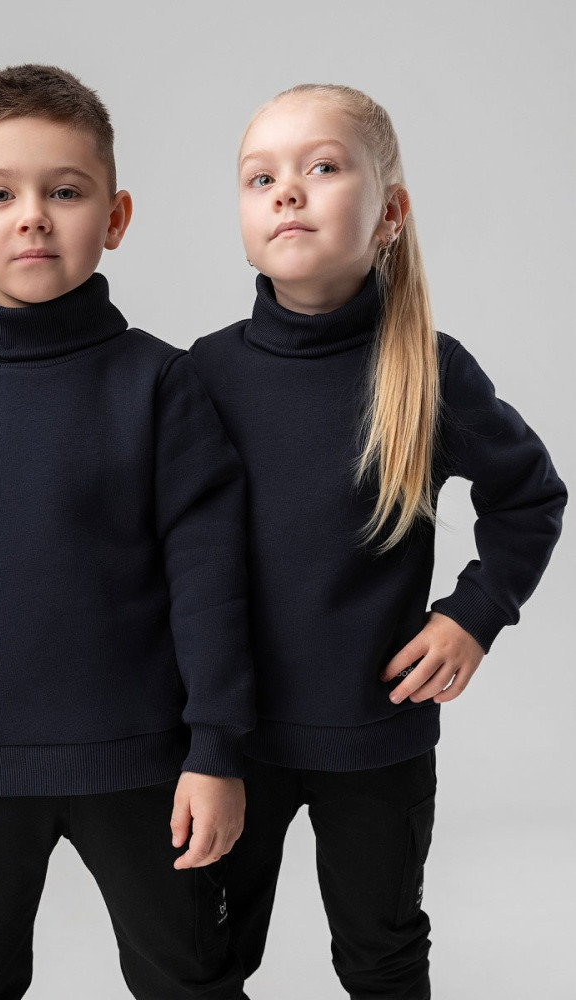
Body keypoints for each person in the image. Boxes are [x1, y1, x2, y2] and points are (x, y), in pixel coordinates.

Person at [0, 64, 254, 1000]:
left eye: (64, 192)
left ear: (114, 217)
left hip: (148, 763)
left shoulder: (160, 387)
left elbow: (212, 585)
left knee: (190, 981)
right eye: (0, 194)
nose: (32, 217)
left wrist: (216, 751)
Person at [190, 83, 567, 999]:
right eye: (260, 178)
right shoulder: (201, 375)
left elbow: (530, 495)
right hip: (228, 743)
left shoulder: (429, 369)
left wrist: (474, 614)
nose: (288, 191)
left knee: (382, 956)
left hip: (377, 738)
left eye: (322, 168)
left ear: (389, 214)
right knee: (202, 962)